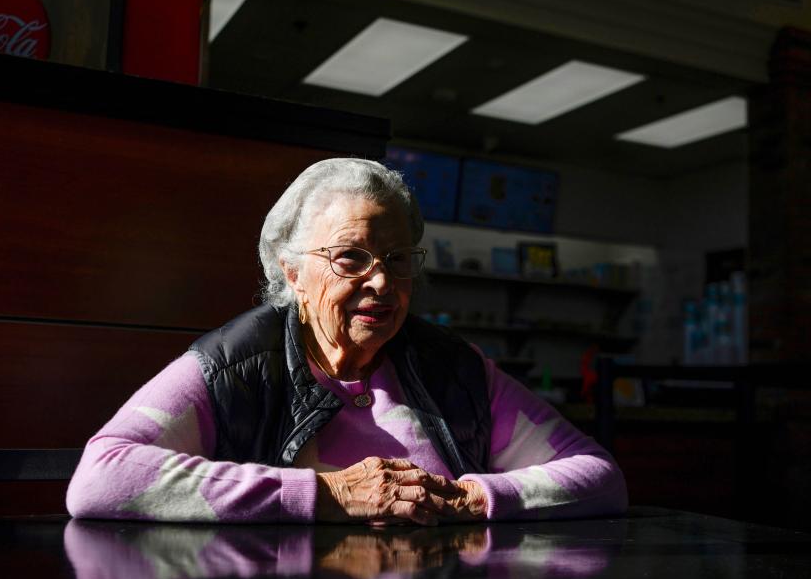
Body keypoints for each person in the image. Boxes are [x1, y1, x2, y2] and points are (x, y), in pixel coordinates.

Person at [66, 158, 627, 526]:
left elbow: (598, 476)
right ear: (292, 274)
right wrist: (326, 495)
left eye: (398, 259)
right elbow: (102, 477)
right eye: (350, 257)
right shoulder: (235, 363)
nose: (381, 281)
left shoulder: (453, 368)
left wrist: (471, 498)